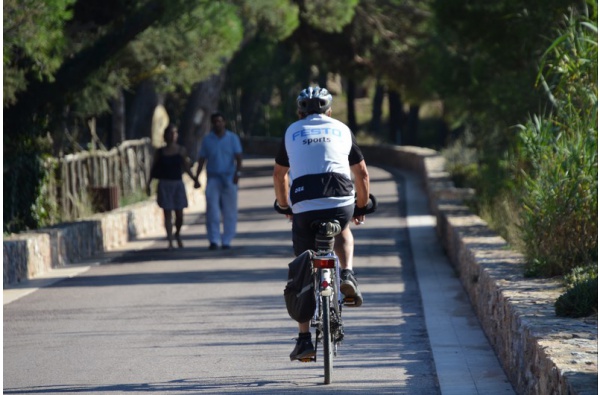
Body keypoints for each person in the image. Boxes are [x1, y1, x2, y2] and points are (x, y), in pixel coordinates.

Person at [273, 86, 371, 361]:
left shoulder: (292, 131)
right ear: (330, 111)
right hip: (340, 198)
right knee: (343, 228)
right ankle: (348, 274)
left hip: (304, 202)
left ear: (299, 112)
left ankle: (304, 339)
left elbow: (280, 175)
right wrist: (361, 206)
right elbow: (361, 173)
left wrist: (285, 206)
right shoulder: (341, 128)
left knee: (305, 266)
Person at [194, 112, 243, 250]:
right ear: (212, 123)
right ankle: (214, 239)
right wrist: (197, 177)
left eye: (220, 121)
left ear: (224, 122)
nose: (217, 124)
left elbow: (238, 157)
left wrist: (237, 173)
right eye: (215, 121)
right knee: (212, 211)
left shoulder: (232, 138)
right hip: (213, 178)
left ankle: (227, 239)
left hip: (229, 177)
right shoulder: (207, 140)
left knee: (229, 211)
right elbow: (202, 159)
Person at [147, 124, 198, 249]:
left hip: (177, 184)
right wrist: (148, 183)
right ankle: (170, 240)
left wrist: (195, 180)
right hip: (165, 184)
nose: (172, 136)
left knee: (179, 214)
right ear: (165, 136)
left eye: (174, 133)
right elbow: (153, 168)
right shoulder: (160, 152)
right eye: (170, 133)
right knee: (167, 213)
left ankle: (178, 233)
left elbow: (186, 167)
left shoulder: (181, 150)